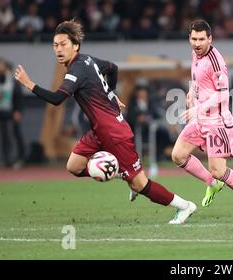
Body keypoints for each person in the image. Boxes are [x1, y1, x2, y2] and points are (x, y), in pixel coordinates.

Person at [14, 20, 196, 224]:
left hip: (115, 134)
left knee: (140, 185)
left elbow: (57, 99)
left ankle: (185, 206)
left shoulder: (77, 71)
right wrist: (110, 93)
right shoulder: (87, 60)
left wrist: (29, 84)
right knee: (73, 166)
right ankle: (121, 173)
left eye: (63, 44)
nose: (58, 49)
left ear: (75, 45)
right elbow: (113, 68)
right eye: (55, 45)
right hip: (99, 131)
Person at [171, 19, 233, 219]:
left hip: (216, 122)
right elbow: (196, 78)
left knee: (218, 170)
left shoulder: (216, 61)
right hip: (200, 119)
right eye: (194, 39)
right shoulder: (195, 53)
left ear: (210, 39)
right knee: (178, 155)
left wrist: (198, 108)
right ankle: (212, 183)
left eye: (202, 39)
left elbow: (223, 94)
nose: (197, 43)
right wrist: (191, 92)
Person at [0, 57, 24, 167]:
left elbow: (18, 98)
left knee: (9, 137)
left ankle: (11, 160)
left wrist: (18, 111)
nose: (0, 67)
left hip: (8, 113)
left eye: (2, 65)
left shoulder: (12, 81)